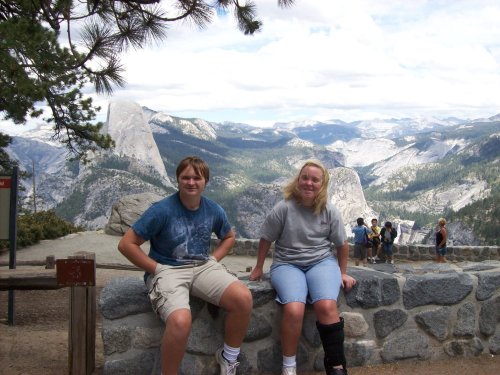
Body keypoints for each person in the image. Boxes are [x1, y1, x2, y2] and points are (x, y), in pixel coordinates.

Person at [118, 156, 252, 375]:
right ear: (177, 180)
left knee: (243, 298)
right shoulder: (161, 210)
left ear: (205, 181)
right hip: (167, 269)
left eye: (196, 178)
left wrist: (214, 259)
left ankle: (229, 359)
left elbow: (228, 237)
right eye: (185, 177)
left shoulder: (214, 210)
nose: (191, 182)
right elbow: (126, 244)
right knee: (180, 321)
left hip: (202, 267)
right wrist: (157, 269)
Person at [249, 160, 356, 375]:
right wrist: (259, 267)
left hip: (321, 262)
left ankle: (336, 366)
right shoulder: (284, 208)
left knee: (326, 306)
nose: (308, 183)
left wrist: (342, 272)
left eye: (315, 180)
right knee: (294, 308)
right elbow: (266, 238)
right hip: (287, 264)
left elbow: (341, 245)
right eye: (304, 177)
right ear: (298, 180)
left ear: (322, 185)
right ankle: (289, 368)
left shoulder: (329, 211)